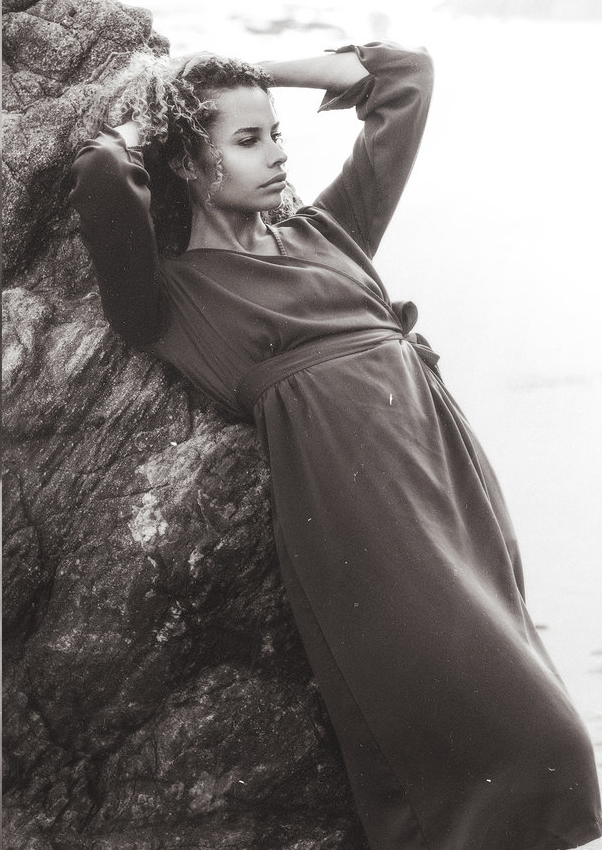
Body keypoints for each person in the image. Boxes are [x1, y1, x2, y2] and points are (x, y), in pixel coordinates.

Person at [69, 43, 602, 849]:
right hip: (357, 511)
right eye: (248, 140)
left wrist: (257, 70)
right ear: (187, 158)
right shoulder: (172, 298)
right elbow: (104, 178)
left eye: (277, 133)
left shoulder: (329, 230)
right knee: (532, 741)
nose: (280, 152)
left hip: (446, 479)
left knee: (532, 723)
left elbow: (407, 79)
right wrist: (165, 108)